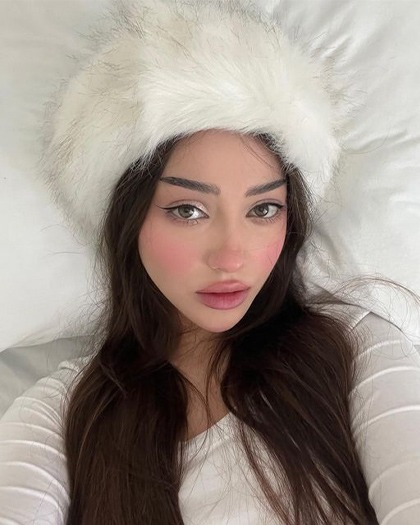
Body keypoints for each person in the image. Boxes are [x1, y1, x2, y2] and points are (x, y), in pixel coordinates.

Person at [1, 0, 420, 524]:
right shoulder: (65, 414)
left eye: (263, 209)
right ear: (129, 221)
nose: (230, 257)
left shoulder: (355, 348)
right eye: (188, 210)